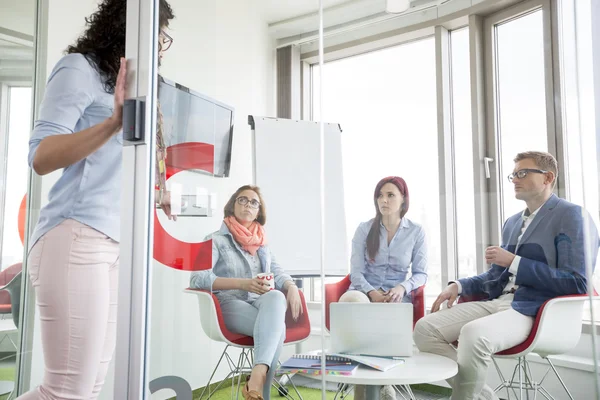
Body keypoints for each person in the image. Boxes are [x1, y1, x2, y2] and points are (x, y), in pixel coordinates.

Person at [21, 1, 175, 398]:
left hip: (117, 243)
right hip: (76, 235)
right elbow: (41, 157)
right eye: (157, 34)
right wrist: (112, 124)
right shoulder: (80, 69)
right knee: (66, 390)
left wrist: (159, 185)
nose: (161, 45)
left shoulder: (132, 88)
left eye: (163, 37)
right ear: (128, 28)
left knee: (91, 388)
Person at [413, 151, 600, 400]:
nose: (514, 179)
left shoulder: (572, 216)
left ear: (548, 177)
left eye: (523, 173)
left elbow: (578, 282)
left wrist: (515, 261)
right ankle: (482, 396)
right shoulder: (512, 223)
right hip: (498, 303)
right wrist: (458, 286)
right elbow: (496, 275)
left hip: (535, 310)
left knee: (473, 334)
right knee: (425, 328)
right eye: (513, 174)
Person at [190, 185, 303, 400]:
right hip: (229, 304)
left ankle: (256, 381)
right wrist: (243, 284)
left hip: (261, 303)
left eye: (253, 202)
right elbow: (197, 278)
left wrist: (292, 287)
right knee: (275, 330)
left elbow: (278, 272)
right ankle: (261, 390)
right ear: (233, 205)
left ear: (259, 211)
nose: (247, 205)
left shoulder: (262, 243)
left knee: (277, 296)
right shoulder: (214, 239)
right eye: (242, 200)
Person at [340, 176, 428, 400]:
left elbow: (421, 274)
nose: (384, 200)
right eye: (380, 195)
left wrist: (402, 287)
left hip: (395, 296)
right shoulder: (364, 229)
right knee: (353, 304)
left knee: (386, 320)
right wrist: (370, 292)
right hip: (363, 291)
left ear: (403, 200)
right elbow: (356, 271)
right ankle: (377, 388)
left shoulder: (416, 232)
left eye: (390, 195)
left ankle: (382, 383)